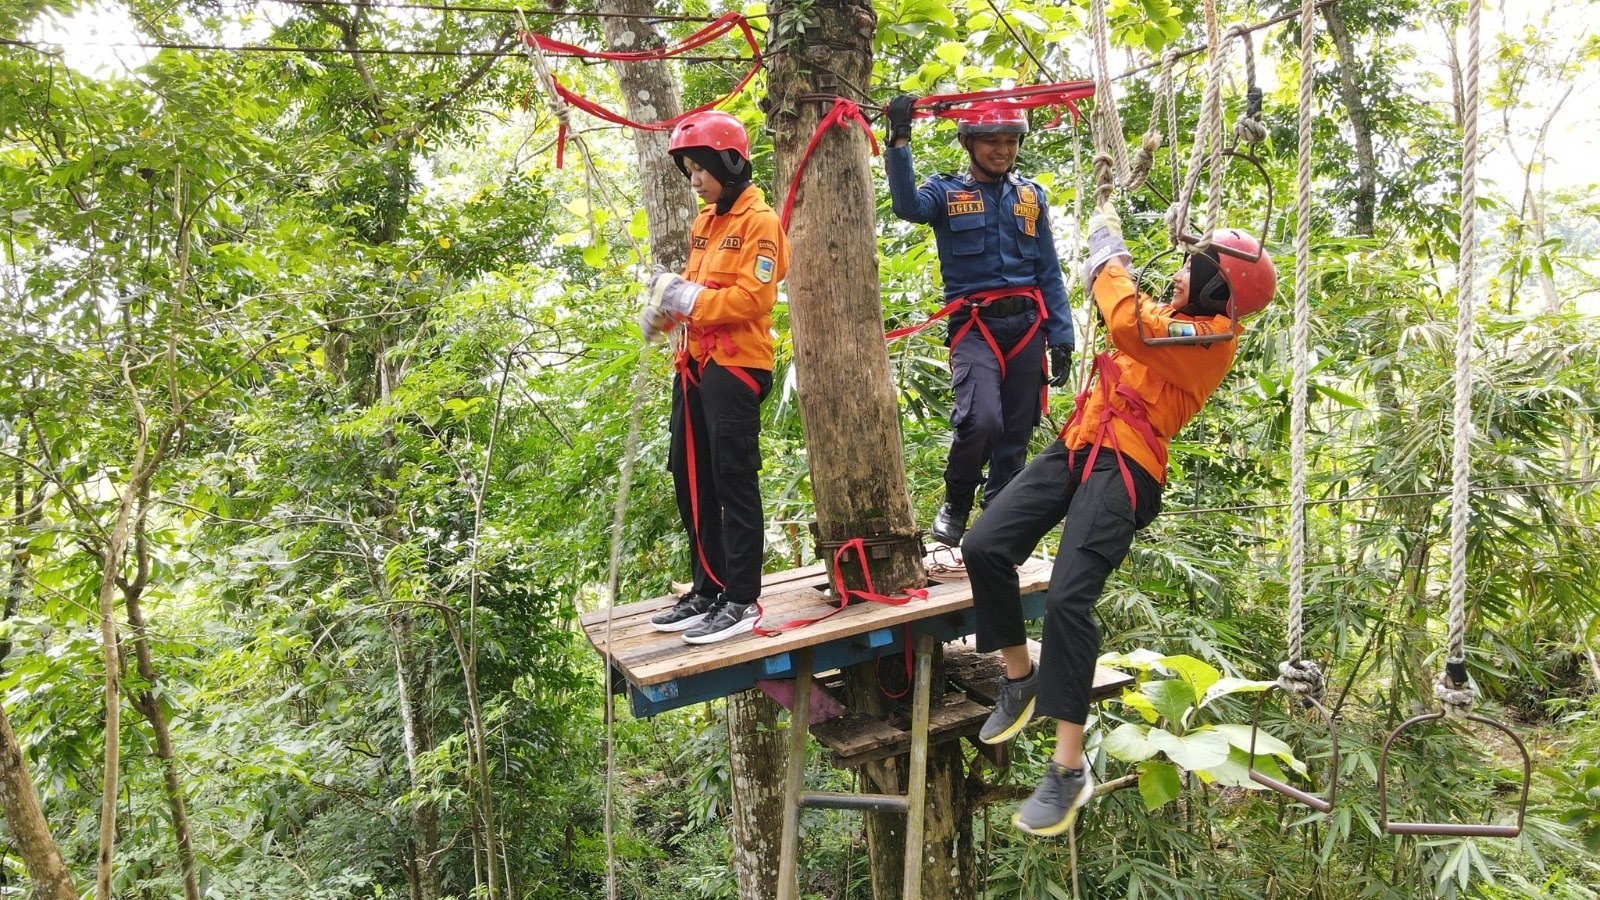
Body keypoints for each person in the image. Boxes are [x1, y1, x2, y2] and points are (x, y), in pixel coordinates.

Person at [962, 203, 1277, 836]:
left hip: (1125, 464)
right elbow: (1137, 321)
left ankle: (1067, 767)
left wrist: (1110, 261)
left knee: (1069, 601)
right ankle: (1020, 678)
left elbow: (1130, 325)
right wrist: (1112, 260)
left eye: (1196, 268)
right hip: (1081, 443)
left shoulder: (1210, 338)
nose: (1183, 274)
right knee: (985, 544)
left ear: (1221, 287)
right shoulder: (1175, 317)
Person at [881, 95, 1076, 547]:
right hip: (975, 326)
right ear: (968, 142)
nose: (1002, 150)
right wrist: (899, 139)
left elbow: (1049, 270)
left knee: (1015, 429)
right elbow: (907, 206)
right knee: (981, 419)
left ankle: (1000, 516)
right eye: (991, 141)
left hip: (1027, 324)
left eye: (1010, 141)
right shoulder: (946, 193)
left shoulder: (1031, 196)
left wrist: (1061, 336)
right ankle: (956, 503)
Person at [637, 110, 791, 645]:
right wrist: (666, 308)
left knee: (733, 477)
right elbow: (696, 289)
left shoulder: (760, 222)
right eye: (688, 170)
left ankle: (742, 598)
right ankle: (709, 587)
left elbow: (755, 297)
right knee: (689, 472)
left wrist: (689, 299)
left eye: (699, 167)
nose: (694, 179)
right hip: (696, 363)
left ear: (729, 162)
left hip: (737, 364)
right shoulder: (705, 224)